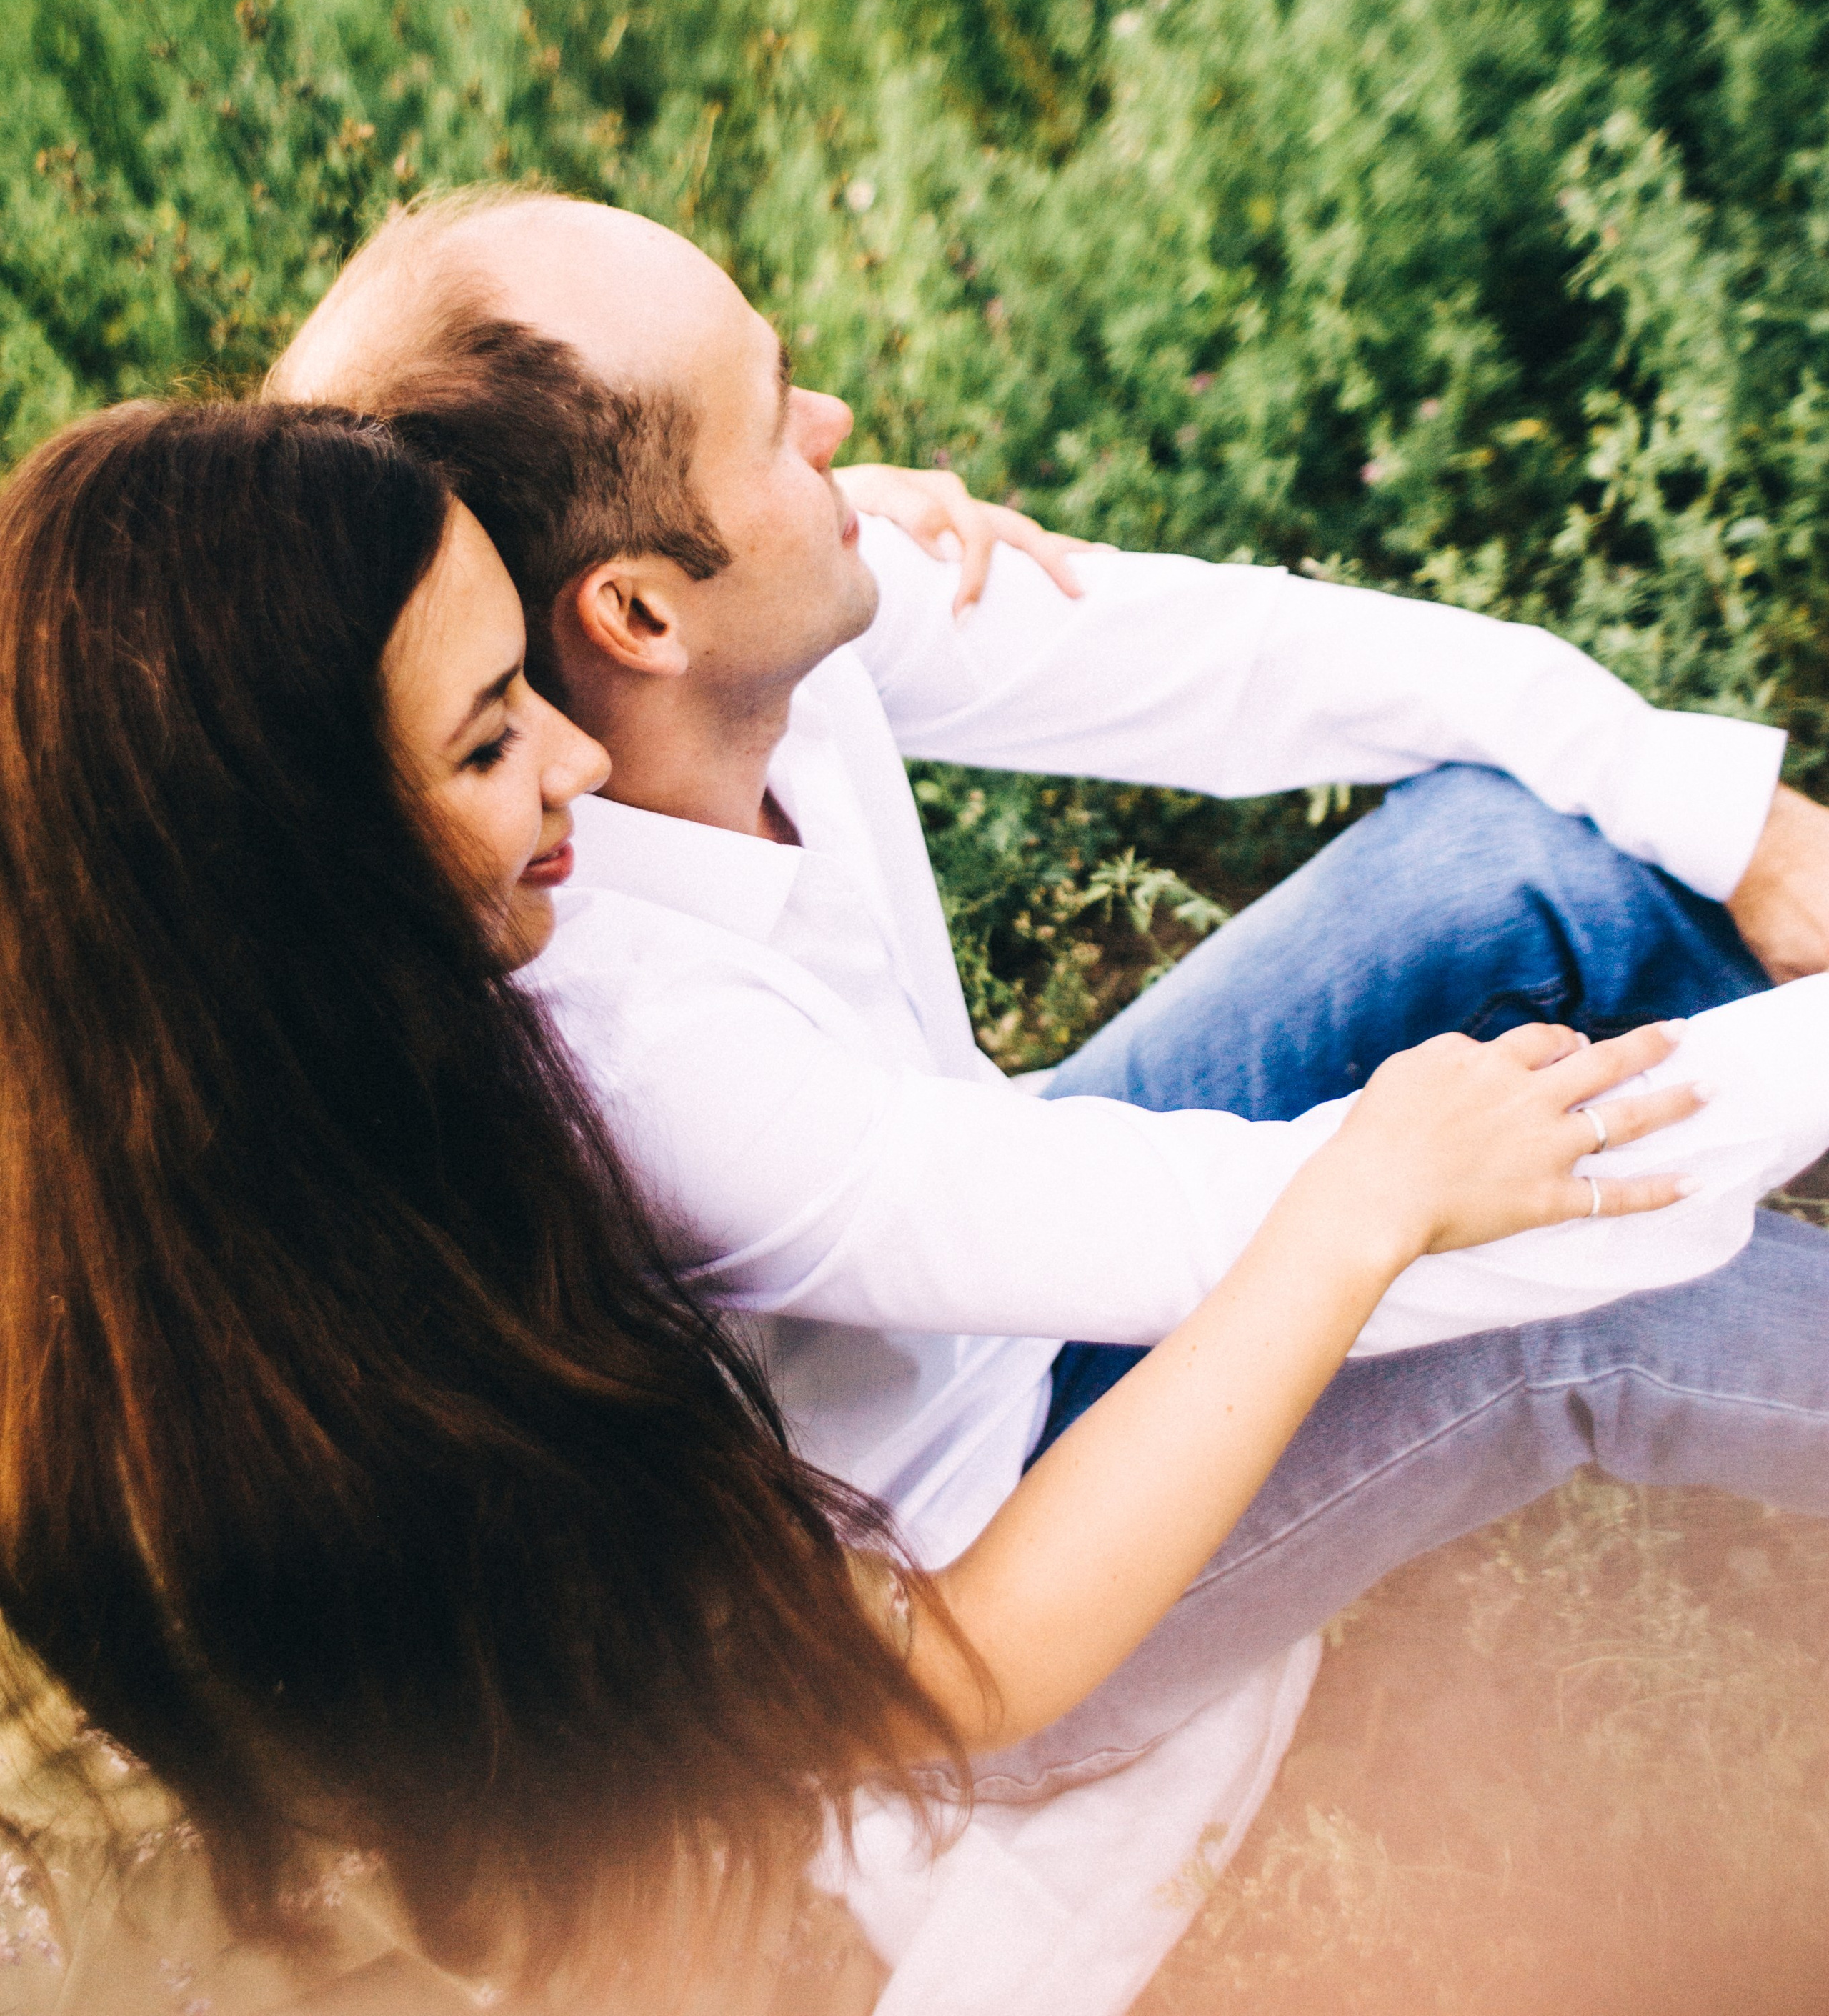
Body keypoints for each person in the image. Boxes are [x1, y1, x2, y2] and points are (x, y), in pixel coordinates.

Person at [0, 396, 1735, 2015]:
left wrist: (766, 535)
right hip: (866, 1732)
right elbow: (944, 1676)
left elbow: (296, 527)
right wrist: (1357, 1214)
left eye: (535, 669)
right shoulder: (376, 1389)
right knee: (1565, 1313)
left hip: (930, 1427)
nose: (579, 766)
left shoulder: (182, 1005)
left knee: (1491, 884)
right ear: (297, 880)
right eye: (484, 740)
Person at [264, 186, 1829, 1785]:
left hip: (1024, 1252)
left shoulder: (744, 612)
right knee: (1586, 1297)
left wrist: (1738, 824)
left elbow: (1240, 658)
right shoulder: (643, 1060)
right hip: (998, 1558)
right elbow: (1256, 1220)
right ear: (638, 610)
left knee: (1506, 850)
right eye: (768, 416)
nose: (839, 430)